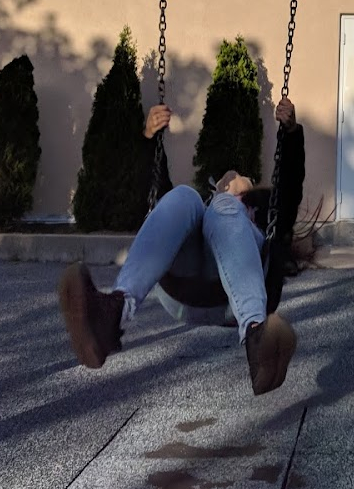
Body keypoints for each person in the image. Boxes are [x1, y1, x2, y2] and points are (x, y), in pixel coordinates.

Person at [58, 97, 305, 396]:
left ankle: (257, 337)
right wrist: (150, 137)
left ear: (253, 187)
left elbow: (289, 187)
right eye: (226, 179)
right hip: (182, 290)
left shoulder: (262, 213)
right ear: (216, 186)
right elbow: (155, 197)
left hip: (237, 297)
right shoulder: (202, 207)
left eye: (241, 176)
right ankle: (114, 313)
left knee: (223, 209)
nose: (233, 175)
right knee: (181, 197)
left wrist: (290, 133)